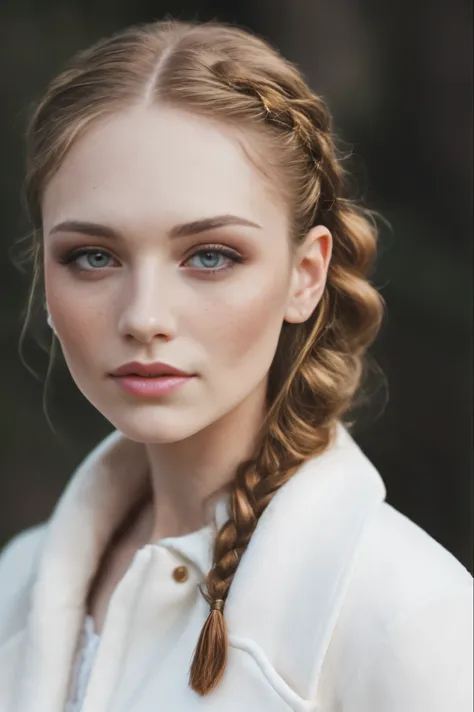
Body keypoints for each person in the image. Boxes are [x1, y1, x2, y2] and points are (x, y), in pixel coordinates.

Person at [0, 18, 472, 712]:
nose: (144, 316)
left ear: (305, 275)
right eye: (93, 257)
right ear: (45, 278)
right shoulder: (20, 581)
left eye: (211, 255)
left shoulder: (403, 612)